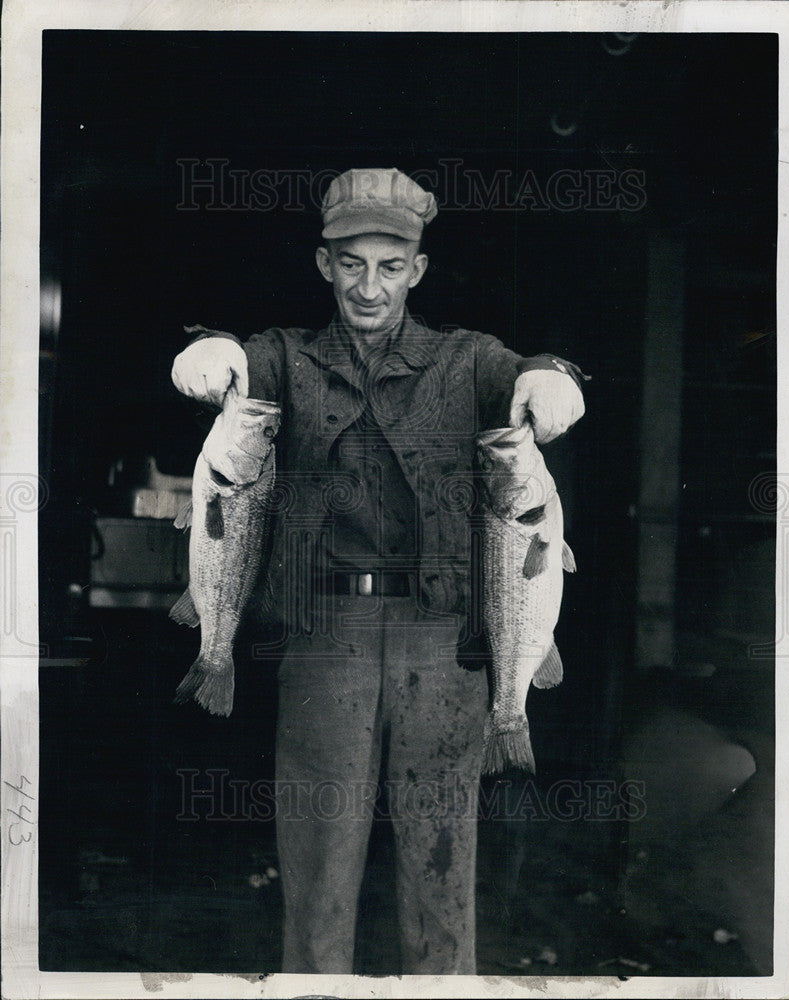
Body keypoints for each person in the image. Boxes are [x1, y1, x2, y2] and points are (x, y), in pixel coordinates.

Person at [171, 167, 586, 975]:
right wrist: (208, 348)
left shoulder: (468, 360)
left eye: (390, 266)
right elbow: (231, 364)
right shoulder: (286, 359)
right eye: (351, 263)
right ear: (324, 264)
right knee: (319, 865)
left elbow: (531, 370)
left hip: (453, 643)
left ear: (418, 269)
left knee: (441, 867)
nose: (369, 286)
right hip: (326, 641)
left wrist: (554, 375)